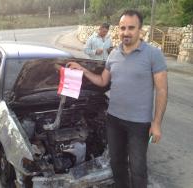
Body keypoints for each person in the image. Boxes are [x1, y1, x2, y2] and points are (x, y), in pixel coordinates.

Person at [68, 10, 168, 188]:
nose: (126, 32)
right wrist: (82, 69)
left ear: (140, 30)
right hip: (114, 120)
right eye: (122, 28)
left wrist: (157, 123)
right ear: (118, 30)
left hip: (139, 123)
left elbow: (162, 90)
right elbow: (102, 81)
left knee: (137, 168)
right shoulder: (113, 54)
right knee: (117, 164)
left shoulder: (153, 54)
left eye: (131, 28)